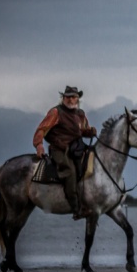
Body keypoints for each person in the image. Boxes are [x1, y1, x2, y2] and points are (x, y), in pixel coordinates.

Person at [33, 86, 97, 219]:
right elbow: (41, 130)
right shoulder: (56, 112)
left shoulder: (80, 114)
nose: (71, 99)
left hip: (76, 148)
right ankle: (76, 209)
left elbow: (82, 130)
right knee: (70, 171)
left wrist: (89, 132)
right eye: (68, 96)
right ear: (63, 98)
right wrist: (39, 145)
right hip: (59, 149)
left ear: (78, 99)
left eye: (74, 97)